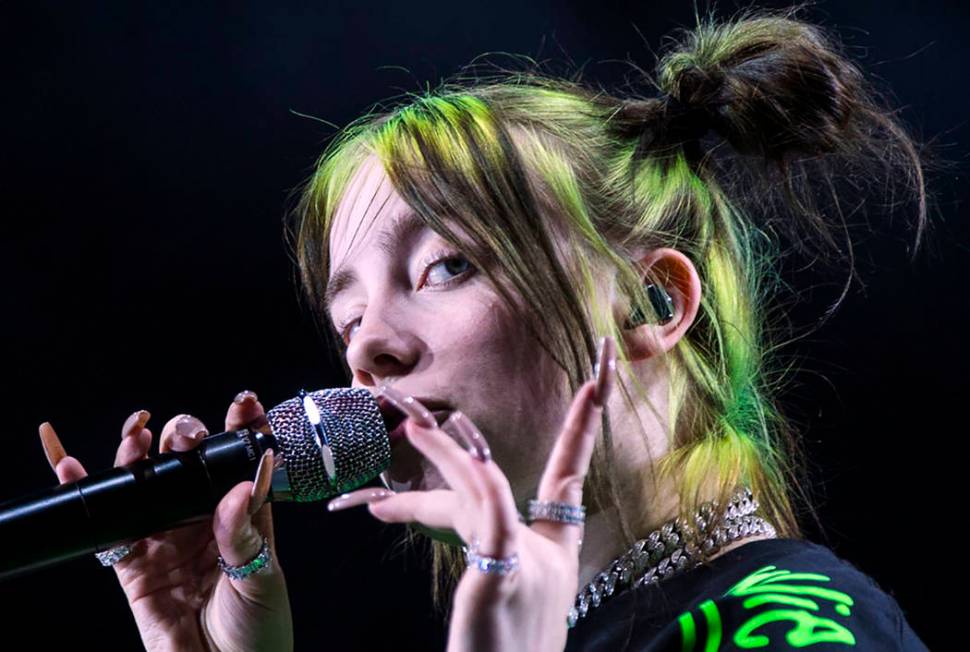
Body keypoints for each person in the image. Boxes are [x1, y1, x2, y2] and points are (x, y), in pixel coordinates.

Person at [38, 7, 931, 650]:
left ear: (652, 304)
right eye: (348, 315)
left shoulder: (795, 624)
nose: (364, 349)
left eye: (445, 266)